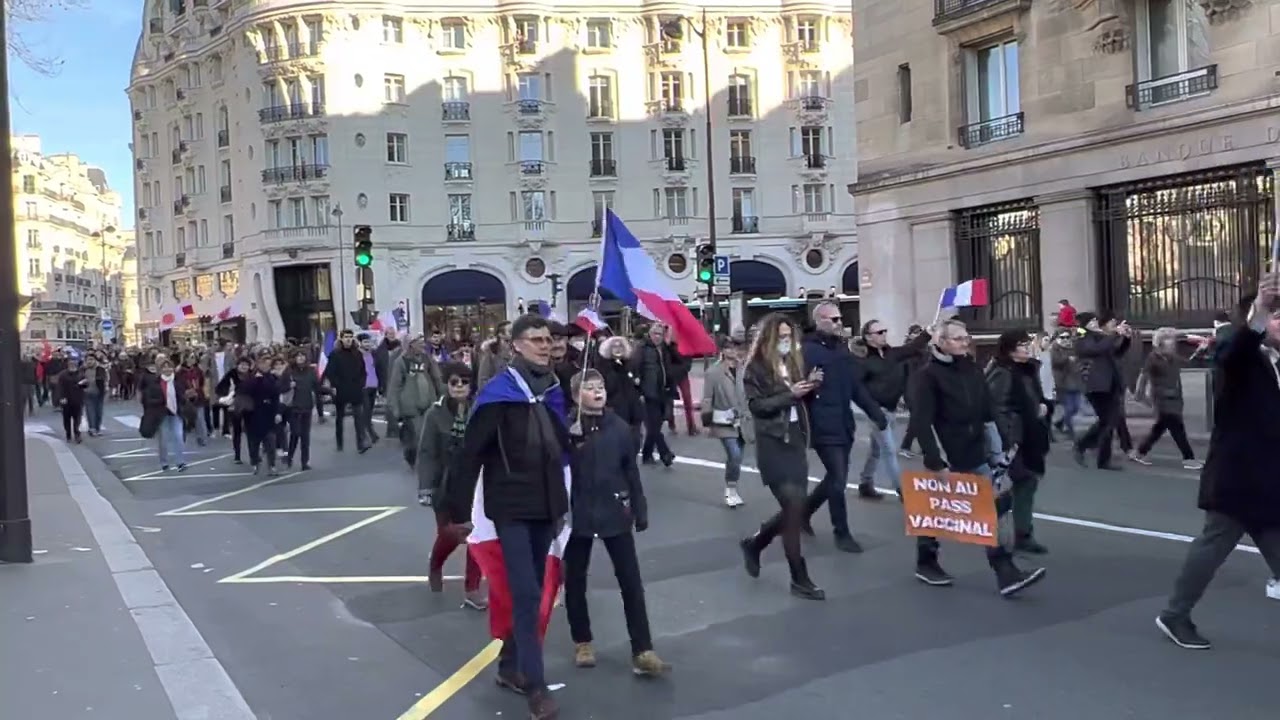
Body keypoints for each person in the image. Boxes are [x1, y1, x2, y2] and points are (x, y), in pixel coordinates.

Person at [438, 314, 569, 720]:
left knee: (534, 593)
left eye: (549, 339)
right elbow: (471, 453)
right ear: (516, 345)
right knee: (528, 593)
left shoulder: (552, 392)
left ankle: (510, 667)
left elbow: (563, 450)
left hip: (547, 506)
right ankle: (536, 687)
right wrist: (454, 512)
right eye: (536, 340)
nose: (546, 345)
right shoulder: (498, 394)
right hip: (510, 507)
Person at [1156, 275, 1280, 649]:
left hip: (1269, 483)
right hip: (1238, 479)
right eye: (1277, 316)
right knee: (1210, 550)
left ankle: (1174, 614)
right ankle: (1175, 615)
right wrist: (1259, 310)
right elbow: (1235, 350)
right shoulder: (1241, 356)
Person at [907, 319, 1046, 596]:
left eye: (966, 337)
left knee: (988, 508)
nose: (965, 342)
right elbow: (921, 422)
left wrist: (1002, 444)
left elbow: (987, 409)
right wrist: (936, 460)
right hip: (948, 451)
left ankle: (1005, 571)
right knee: (936, 510)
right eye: (957, 338)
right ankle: (926, 561)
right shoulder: (928, 375)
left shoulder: (971, 368)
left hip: (975, 450)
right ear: (942, 342)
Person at [563, 369, 669, 675]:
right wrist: (571, 442)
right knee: (575, 581)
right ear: (575, 395)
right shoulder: (567, 427)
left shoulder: (620, 428)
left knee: (631, 582)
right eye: (589, 388)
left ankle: (643, 649)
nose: (597, 392)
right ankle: (582, 640)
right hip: (579, 512)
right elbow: (556, 467)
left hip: (614, 509)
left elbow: (630, 471)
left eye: (600, 387)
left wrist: (640, 507)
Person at [737, 313, 825, 600]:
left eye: (790, 337)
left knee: (794, 510)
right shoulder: (755, 368)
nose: (787, 342)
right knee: (793, 511)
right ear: (770, 339)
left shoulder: (793, 363)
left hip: (796, 441)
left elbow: (799, 401)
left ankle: (756, 543)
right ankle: (799, 577)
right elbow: (758, 407)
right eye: (782, 338)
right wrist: (792, 394)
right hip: (773, 444)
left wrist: (810, 386)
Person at [802, 302, 889, 552]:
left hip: (843, 424)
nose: (840, 323)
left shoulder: (841, 351)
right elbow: (794, 388)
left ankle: (805, 512)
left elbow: (855, 388)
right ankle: (842, 532)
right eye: (834, 319)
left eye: (840, 319)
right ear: (819, 320)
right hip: (821, 426)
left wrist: (875, 413)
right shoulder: (807, 351)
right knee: (838, 479)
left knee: (834, 478)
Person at [419, 361, 485, 608]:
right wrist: (426, 487)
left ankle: (472, 588)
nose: (459, 387)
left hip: (474, 480)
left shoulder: (480, 410)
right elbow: (426, 452)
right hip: (444, 483)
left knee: (477, 535)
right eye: (454, 382)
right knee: (449, 534)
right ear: (447, 384)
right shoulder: (434, 414)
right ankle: (436, 565)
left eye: (464, 382)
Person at [985, 330, 1053, 555]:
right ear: (1010, 349)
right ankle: (992, 520)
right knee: (1022, 481)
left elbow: (1036, 397)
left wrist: (1043, 406)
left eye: (1028, 343)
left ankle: (1022, 533)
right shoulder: (1003, 373)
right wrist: (1007, 439)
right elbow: (996, 408)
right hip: (1013, 439)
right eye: (1023, 344)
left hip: (1031, 435)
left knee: (1027, 482)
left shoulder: (1028, 369)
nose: (1028, 347)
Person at [855, 316, 931, 499]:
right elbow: (857, 389)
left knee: (876, 450)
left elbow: (911, 348)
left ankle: (865, 482)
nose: (884, 335)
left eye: (885, 331)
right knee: (889, 450)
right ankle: (902, 491)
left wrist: (927, 333)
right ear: (868, 336)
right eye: (879, 332)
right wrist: (871, 408)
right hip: (876, 411)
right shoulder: (863, 361)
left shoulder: (892, 354)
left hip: (890, 409)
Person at [1133, 327, 1204, 470]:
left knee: (1159, 428)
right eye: (1169, 341)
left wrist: (1200, 350)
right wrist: (1139, 394)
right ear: (1160, 343)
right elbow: (1144, 376)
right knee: (1177, 429)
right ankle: (1188, 458)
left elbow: (1189, 363)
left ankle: (1140, 452)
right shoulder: (1153, 358)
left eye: (1173, 341)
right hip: (1162, 398)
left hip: (1175, 397)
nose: (1173, 344)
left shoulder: (1172, 357)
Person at [1072, 311, 1134, 470]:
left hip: (1111, 384)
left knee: (1110, 422)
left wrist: (1126, 338)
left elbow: (1117, 352)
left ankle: (1102, 459)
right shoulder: (1082, 338)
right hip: (1096, 386)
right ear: (1084, 325)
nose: (1095, 323)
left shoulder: (1102, 338)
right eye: (1091, 322)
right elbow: (1096, 349)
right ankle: (1083, 445)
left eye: (1095, 321)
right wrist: (1114, 333)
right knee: (1108, 421)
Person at [701, 334, 751, 508]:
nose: (733, 351)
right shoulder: (713, 372)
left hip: (743, 420)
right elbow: (707, 398)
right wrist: (707, 421)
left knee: (738, 457)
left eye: (736, 348)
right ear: (722, 350)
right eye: (729, 348)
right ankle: (730, 490)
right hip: (723, 421)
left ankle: (733, 487)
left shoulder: (744, 369)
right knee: (734, 454)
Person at [388, 335, 445, 470]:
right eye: (419, 342)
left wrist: (443, 395)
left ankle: (427, 462)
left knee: (429, 435)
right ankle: (411, 456)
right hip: (411, 407)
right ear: (411, 344)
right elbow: (395, 386)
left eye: (423, 342)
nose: (423, 345)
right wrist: (395, 409)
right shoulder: (401, 362)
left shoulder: (427, 359)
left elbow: (437, 378)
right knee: (416, 437)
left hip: (429, 403)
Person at [322, 329, 372, 453]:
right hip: (341, 390)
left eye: (350, 337)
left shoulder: (357, 353)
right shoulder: (335, 354)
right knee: (340, 417)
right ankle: (340, 442)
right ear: (341, 339)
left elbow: (363, 371)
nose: (348, 339)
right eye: (346, 337)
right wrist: (336, 385)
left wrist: (361, 383)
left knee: (359, 417)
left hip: (355, 388)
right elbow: (330, 372)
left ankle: (361, 442)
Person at [636, 323, 677, 467]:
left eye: (660, 334)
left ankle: (647, 455)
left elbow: (675, 362)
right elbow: (635, 369)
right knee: (653, 426)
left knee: (656, 427)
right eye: (655, 334)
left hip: (663, 392)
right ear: (650, 334)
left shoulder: (665, 349)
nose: (657, 337)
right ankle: (665, 454)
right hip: (648, 393)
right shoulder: (642, 349)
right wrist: (639, 389)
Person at [596, 336, 643, 452]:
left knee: (634, 444)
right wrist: (616, 368)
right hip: (616, 411)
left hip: (633, 410)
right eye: (614, 346)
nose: (618, 349)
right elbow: (609, 387)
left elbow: (636, 383)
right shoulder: (604, 366)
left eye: (620, 346)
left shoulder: (630, 364)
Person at [141, 358, 189, 471]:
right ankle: (164, 462)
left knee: (178, 436)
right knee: (163, 439)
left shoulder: (178, 381)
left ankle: (180, 462)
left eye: (169, 367)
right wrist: (161, 401)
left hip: (176, 413)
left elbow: (183, 396)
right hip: (162, 414)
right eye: (164, 367)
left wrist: (186, 398)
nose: (167, 369)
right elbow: (148, 399)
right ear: (160, 370)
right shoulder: (156, 383)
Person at [244, 354, 283, 476]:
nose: (265, 366)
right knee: (254, 443)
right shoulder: (251, 378)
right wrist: (257, 380)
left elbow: (276, 396)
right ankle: (255, 463)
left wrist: (278, 412)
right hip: (253, 414)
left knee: (270, 442)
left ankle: (271, 465)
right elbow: (247, 392)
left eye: (268, 364)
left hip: (268, 413)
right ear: (258, 364)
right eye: (263, 363)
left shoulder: (272, 378)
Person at [285, 350, 319, 470]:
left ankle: (305, 461)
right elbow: (280, 386)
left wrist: (330, 391)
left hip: (307, 406)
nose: (300, 358)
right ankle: (290, 456)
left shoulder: (310, 371)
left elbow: (317, 387)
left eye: (302, 356)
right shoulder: (289, 371)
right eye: (298, 356)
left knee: (305, 436)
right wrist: (288, 385)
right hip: (293, 407)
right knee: (295, 433)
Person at [53, 357, 86, 443]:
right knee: (66, 419)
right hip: (66, 399)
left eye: (74, 364)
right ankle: (68, 434)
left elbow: (85, 385)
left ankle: (77, 433)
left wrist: (84, 383)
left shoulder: (81, 374)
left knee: (77, 418)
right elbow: (60, 387)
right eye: (70, 364)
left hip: (78, 399)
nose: (72, 366)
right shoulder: (63, 375)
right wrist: (61, 398)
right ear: (68, 365)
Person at [81, 354, 109, 437]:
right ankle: (92, 428)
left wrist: (106, 388)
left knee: (99, 411)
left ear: (95, 360)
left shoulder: (100, 369)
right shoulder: (83, 369)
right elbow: (78, 379)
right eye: (88, 360)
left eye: (91, 359)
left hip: (99, 392)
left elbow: (105, 379)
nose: (90, 361)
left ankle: (97, 428)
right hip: (87, 392)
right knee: (90, 411)